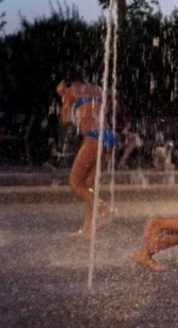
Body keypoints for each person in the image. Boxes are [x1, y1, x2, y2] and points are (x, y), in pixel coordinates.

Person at [56, 69, 114, 237]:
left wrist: (63, 96)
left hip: (93, 137)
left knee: (75, 183)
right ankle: (87, 228)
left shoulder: (71, 90)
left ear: (66, 81)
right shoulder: (97, 88)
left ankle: (105, 209)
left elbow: (65, 121)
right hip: (108, 136)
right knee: (88, 185)